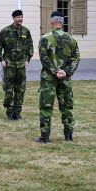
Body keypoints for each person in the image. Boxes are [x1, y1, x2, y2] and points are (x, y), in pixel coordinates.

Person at [37, 11, 81, 143]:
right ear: (63, 22)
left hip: (49, 79)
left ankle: (45, 137)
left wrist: (55, 71)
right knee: (67, 107)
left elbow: (44, 58)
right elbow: (76, 58)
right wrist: (65, 72)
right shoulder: (71, 39)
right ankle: (68, 135)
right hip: (65, 79)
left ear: (51, 21)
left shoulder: (45, 38)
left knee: (46, 107)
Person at [0, 10, 34, 120]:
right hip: (9, 65)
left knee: (20, 89)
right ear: (13, 18)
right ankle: (10, 112)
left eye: (21, 17)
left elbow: (30, 46)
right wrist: (0, 59)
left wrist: (28, 59)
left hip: (21, 65)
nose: (20, 19)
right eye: (17, 17)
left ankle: (17, 111)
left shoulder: (26, 31)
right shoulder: (5, 31)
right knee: (8, 89)